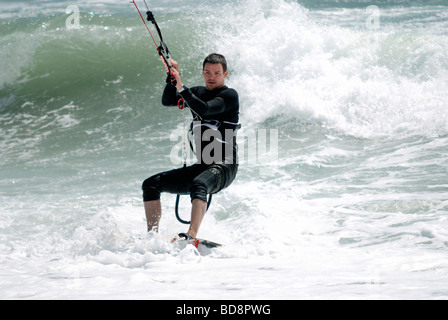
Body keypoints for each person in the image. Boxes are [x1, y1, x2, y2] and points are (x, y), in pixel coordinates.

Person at [142, 53, 240, 240]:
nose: (211, 77)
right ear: (202, 73)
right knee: (151, 184)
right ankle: (151, 237)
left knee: (199, 183)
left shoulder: (230, 96)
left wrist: (181, 86)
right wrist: (172, 78)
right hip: (202, 166)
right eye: (207, 72)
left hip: (225, 167)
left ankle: (191, 234)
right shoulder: (197, 92)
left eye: (217, 73)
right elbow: (168, 100)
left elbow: (205, 108)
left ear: (225, 73)